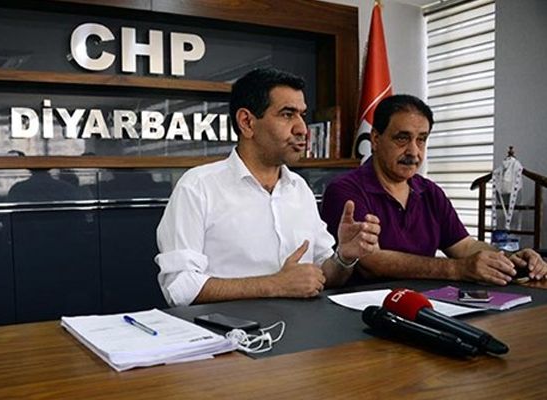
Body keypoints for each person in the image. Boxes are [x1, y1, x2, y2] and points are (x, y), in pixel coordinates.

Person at [155, 68, 381, 307]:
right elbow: (180, 287)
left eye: (302, 115)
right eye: (287, 114)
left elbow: (323, 274)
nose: (302, 129)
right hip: (228, 328)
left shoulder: (300, 189)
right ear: (247, 122)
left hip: (301, 326)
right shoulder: (197, 187)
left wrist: (344, 257)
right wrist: (275, 285)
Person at [321, 94, 547, 286]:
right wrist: (458, 269)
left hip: (426, 305)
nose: (413, 151)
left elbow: (464, 246)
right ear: (376, 139)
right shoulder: (345, 190)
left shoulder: (429, 192)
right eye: (402, 139)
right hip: (364, 310)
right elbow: (371, 262)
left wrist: (510, 259)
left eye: (421, 140)